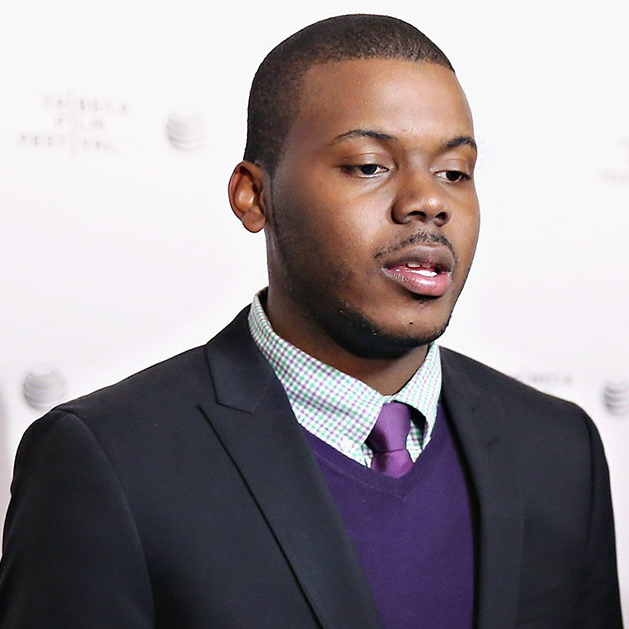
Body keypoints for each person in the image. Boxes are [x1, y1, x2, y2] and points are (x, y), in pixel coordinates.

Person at [0, 13, 623, 629]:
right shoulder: (108, 460)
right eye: (370, 166)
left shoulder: (560, 449)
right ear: (254, 195)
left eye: (454, 173)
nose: (428, 201)